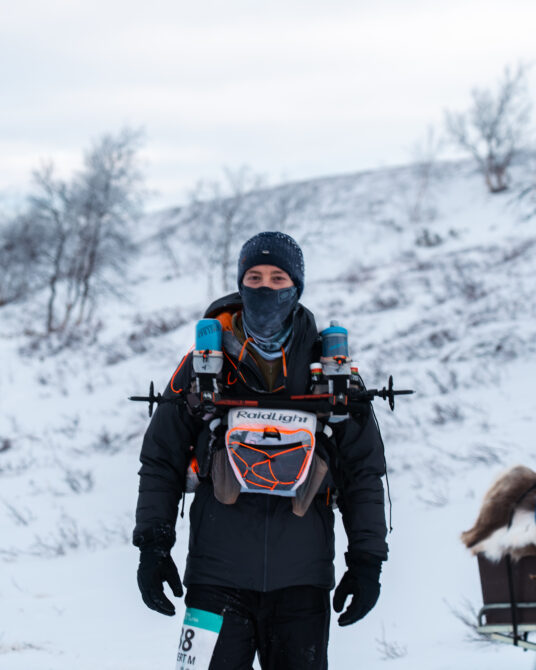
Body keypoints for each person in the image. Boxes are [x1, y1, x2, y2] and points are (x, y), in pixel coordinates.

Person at [133, 231, 388, 669]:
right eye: (254, 277)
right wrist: (153, 548)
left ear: (296, 287)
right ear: (240, 283)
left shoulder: (332, 372)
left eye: (277, 278)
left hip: (301, 585)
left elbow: (362, 472)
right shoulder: (202, 365)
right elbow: (161, 460)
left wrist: (367, 560)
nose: (265, 288)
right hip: (214, 580)